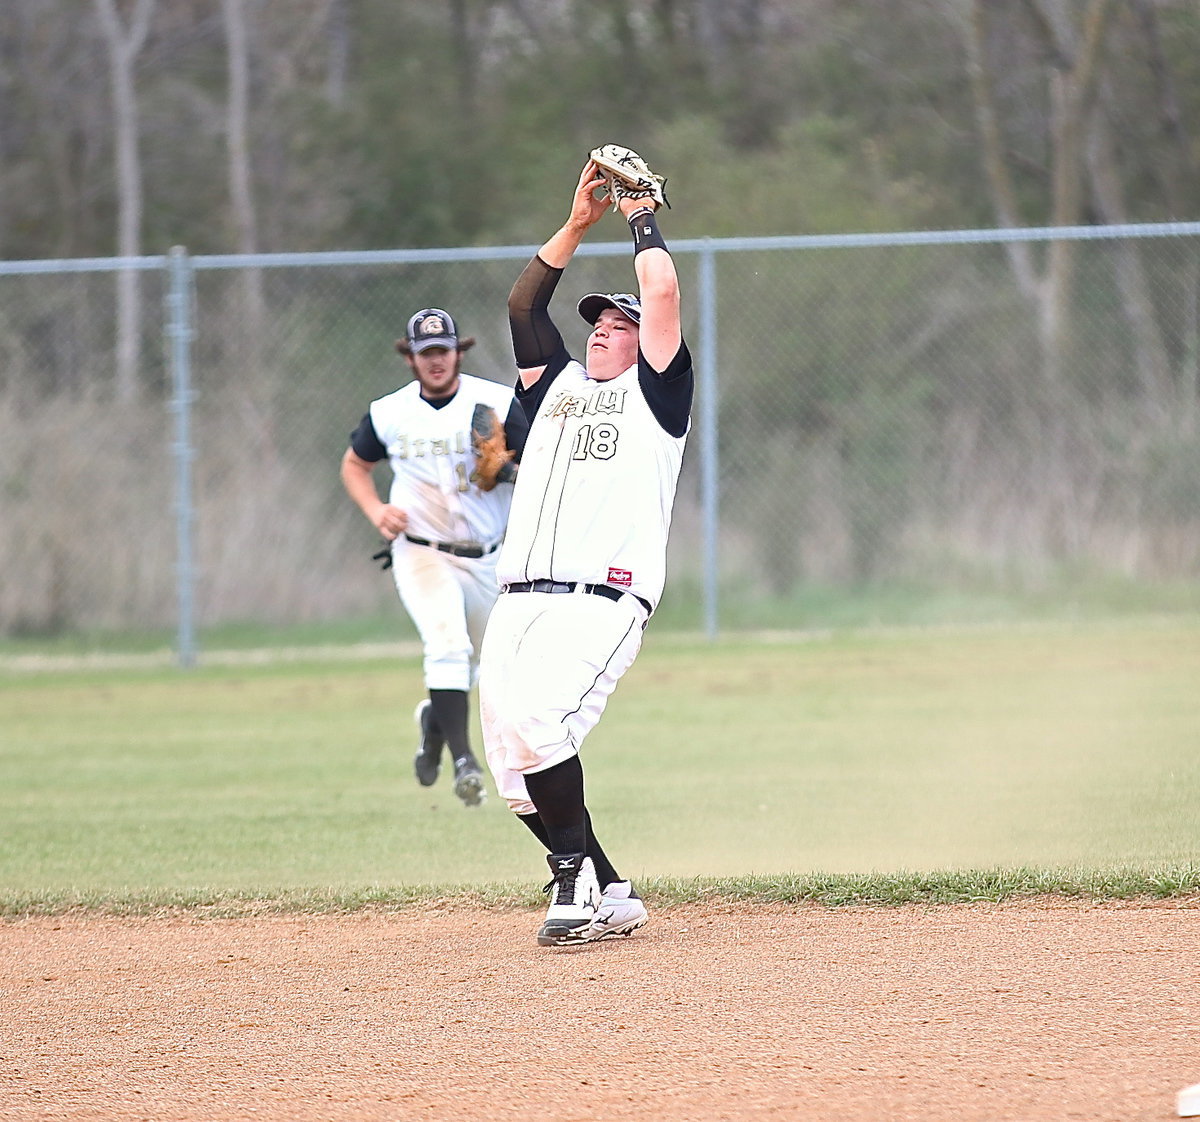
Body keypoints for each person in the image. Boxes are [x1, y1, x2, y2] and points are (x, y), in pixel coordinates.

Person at [479, 151, 693, 946]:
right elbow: (523, 305)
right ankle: (610, 890)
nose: (604, 329)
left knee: (540, 724)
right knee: (512, 769)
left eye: (620, 325)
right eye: (598, 323)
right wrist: (576, 225)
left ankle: (572, 888)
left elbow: (663, 292)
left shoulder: (656, 400)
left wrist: (642, 213)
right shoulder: (558, 389)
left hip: (599, 600)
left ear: (647, 347)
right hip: (517, 600)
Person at [341, 307, 527, 808]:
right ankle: (466, 762)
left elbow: (536, 467)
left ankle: (435, 727)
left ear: (457, 352)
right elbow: (355, 464)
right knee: (446, 646)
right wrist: (376, 509)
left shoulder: (497, 402)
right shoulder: (389, 412)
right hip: (422, 551)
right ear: (411, 359)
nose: (436, 361)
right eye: (426, 354)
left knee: (493, 667)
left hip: (492, 558)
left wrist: (504, 469)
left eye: (443, 350)